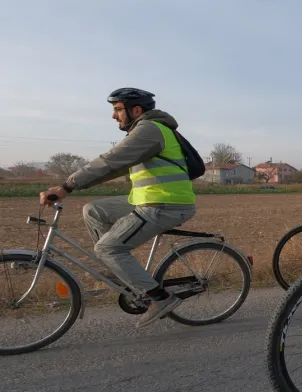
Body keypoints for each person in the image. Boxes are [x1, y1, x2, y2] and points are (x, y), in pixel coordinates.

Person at [38, 88, 196, 328]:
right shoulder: (146, 131)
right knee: (94, 211)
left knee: (108, 248)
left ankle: (159, 298)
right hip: (149, 200)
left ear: (137, 110)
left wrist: (66, 186)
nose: (114, 116)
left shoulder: (149, 130)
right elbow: (113, 168)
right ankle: (122, 273)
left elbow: (109, 160)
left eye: (118, 109)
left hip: (166, 204)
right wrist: (74, 187)